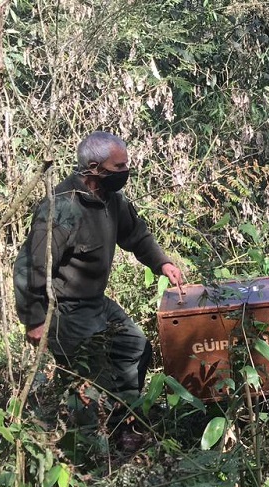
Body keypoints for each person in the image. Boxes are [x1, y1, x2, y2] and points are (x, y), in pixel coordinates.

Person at [13, 131, 183, 432]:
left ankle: (123, 425)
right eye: (119, 167)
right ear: (94, 168)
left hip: (95, 302)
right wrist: (34, 320)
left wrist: (163, 262)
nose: (125, 172)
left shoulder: (112, 199)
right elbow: (31, 265)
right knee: (91, 379)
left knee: (136, 348)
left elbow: (136, 234)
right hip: (64, 309)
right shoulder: (62, 208)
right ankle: (87, 449)